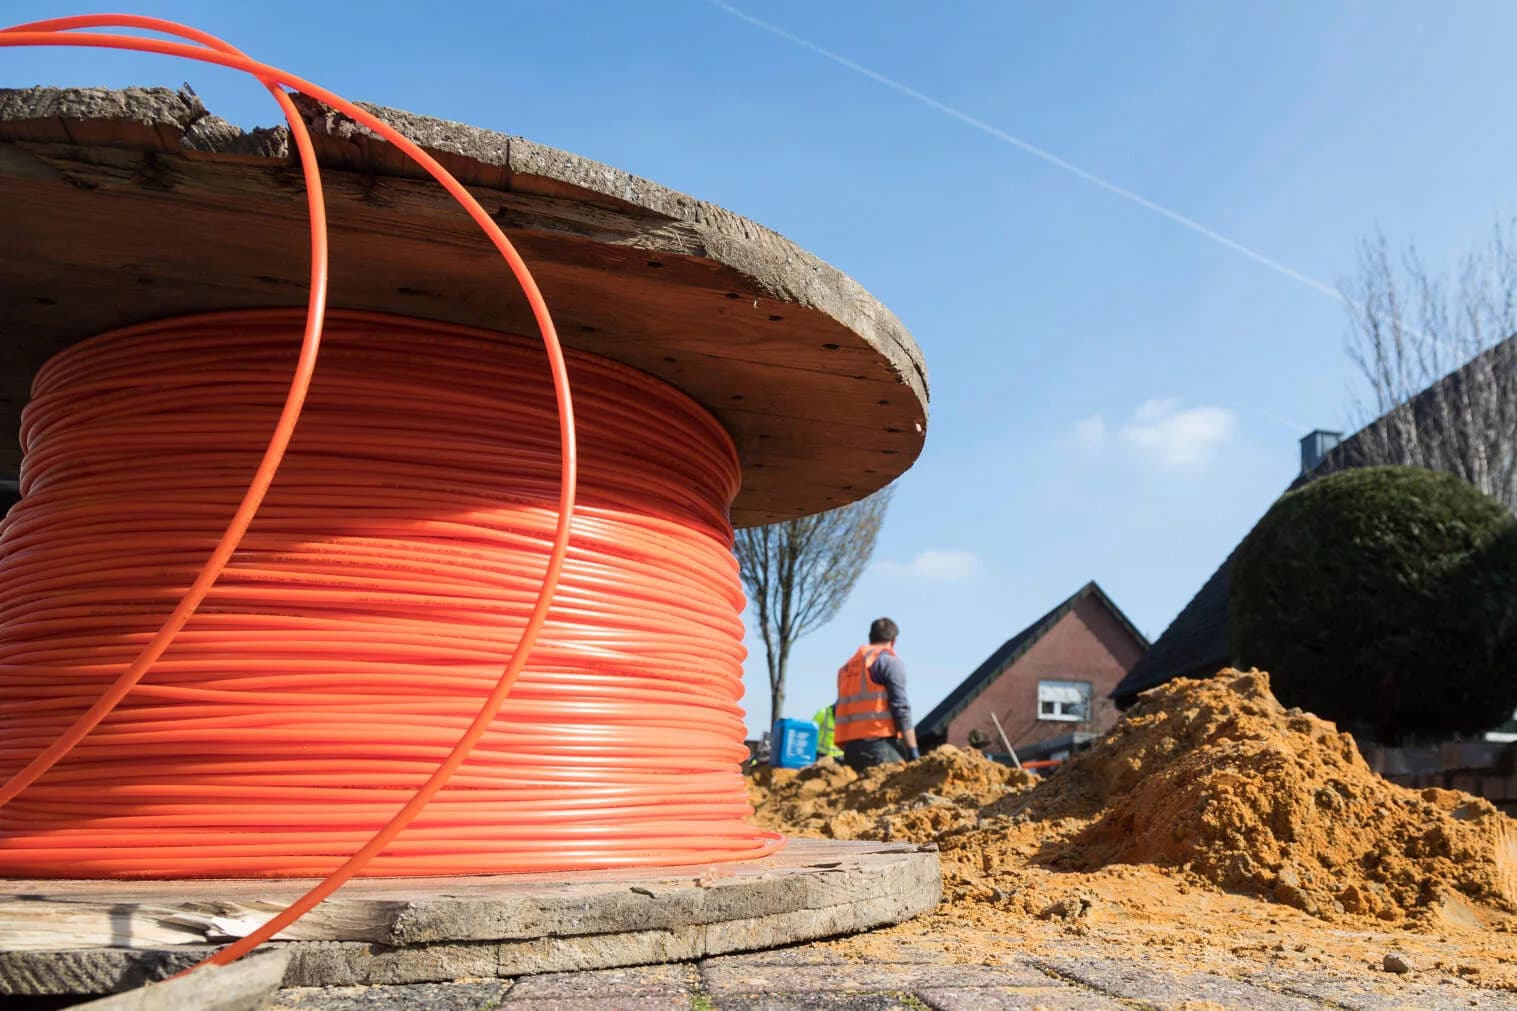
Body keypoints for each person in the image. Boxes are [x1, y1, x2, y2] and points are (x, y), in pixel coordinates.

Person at [833, 617, 918, 770]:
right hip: (879, 747)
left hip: (850, 751)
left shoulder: (847, 668)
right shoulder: (889, 662)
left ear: (870, 638)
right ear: (893, 641)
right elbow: (901, 708)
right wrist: (913, 751)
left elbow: (837, 709)